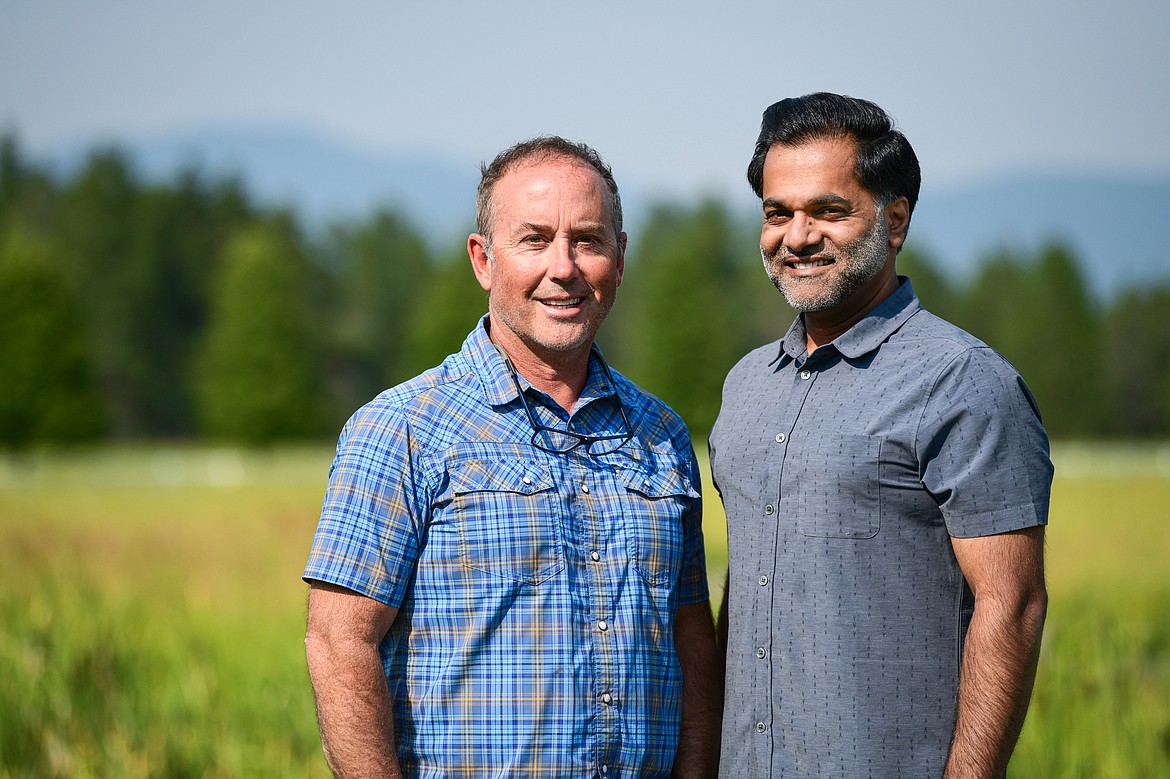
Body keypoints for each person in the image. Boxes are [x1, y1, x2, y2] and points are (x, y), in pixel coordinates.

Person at [304, 136, 720, 778]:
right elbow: (338, 644)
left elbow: (691, 641)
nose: (565, 267)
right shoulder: (401, 429)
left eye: (588, 239)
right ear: (483, 259)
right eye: (534, 240)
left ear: (620, 255)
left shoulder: (662, 436)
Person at [711, 93, 1051, 778]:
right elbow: (745, 589)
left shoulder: (963, 381)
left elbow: (1012, 605)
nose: (797, 235)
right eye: (778, 212)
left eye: (828, 211)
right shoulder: (745, 386)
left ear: (894, 220)